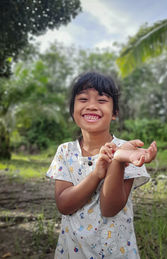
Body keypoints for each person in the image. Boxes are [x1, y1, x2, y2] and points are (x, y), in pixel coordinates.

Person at [46, 71, 157, 259]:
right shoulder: (64, 152)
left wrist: (118, 161)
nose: (91, 106)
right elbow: (64, 205)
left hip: (116, 252)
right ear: (72, 109)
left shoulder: (129, 152)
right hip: (72, 253)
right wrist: (96, 174)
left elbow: (110, 208)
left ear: (115, 113)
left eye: (101, 100)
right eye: (83, 99)